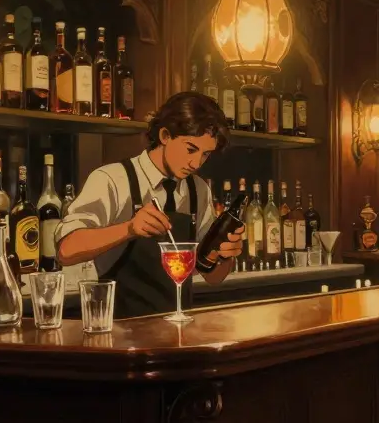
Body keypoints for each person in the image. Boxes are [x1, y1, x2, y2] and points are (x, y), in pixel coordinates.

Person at [56, 91, 244, 319]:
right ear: (165, 135)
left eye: (205, 155)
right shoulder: (112, 179)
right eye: (190, 149)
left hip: (178, 332)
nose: (196, 163)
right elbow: (66, 250)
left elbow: (212, 277)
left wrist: (226, 254)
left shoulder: (199, 189)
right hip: (122, 334)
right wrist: (129, 229)